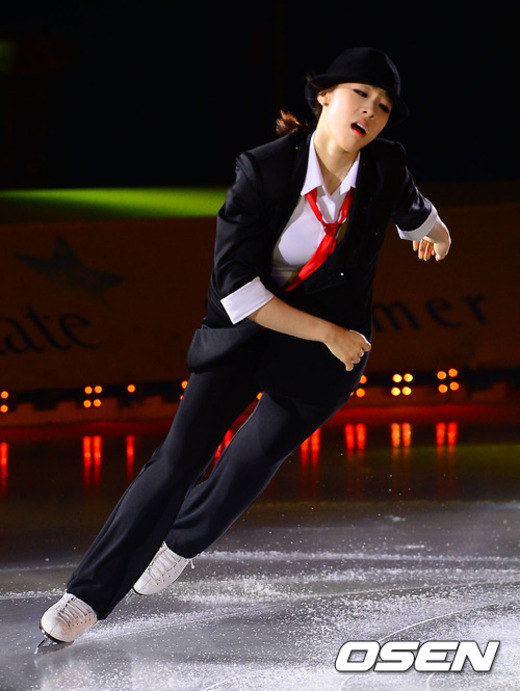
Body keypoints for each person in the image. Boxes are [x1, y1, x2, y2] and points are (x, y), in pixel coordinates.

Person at [38, 46, 451, 646]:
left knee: (253, 459)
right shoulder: (264, 170)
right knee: (179, 460)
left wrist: (434, 231)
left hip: (322, 359)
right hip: (250, 334)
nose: (370, 110)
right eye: (360, 94)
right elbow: (236, 291)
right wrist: (328, 332)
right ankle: (88, 595)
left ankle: (181, 543)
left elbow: (414, 210)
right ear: (325, 97)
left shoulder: (386, 165)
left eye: (383, 105)